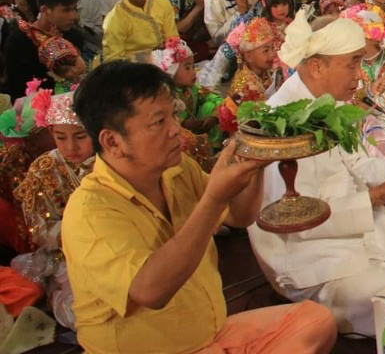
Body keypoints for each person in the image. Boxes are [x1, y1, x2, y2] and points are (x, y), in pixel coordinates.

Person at [62, 61, 337, 353]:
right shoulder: (89, 211)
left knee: (315, 321)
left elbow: (240, 216)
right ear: (112, 141)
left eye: (174, 116)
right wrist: (213, 199)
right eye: (159, 122)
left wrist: (254, 161)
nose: (176, 131)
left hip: (211, 334)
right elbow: (151, 290)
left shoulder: (178, 171)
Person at [248, 11, 385, 335]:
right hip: (309, 253)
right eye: (352, 64)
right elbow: (295, 221)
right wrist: (378, 196)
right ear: (316, 66)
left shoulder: (330, 102)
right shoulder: (280, 124)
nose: (360, 75)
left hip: (357, 224)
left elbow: (355, 164)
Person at [15, 88, 94, 329]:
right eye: (61, 137)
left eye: (80, 136)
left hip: (120, 243)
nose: (71, 146)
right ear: (51, 132)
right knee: (86, 310)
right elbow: (39, 229)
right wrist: (80, 233)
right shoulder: (44, 168)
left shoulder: (113, 159)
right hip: (69, 254)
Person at [2, 0, 84, 98]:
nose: (73, 16)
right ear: (45, 10)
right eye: (66, 10)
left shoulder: (74, 36)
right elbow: (18, 90)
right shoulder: (18, 42)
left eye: (74, 9)